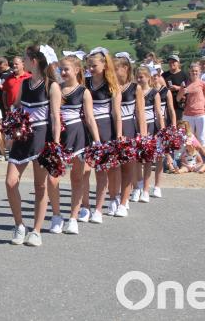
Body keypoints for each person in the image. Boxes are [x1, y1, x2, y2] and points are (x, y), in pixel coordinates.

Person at [5, 45, 51, 246]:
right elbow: (16, 108)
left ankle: (37, 231)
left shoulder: (51, 86)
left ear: (34, 61)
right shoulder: (24, 85)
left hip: (41, 135)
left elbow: (56, 118)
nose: (23, 61)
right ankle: (19, 225)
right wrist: (9, 130)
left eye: (25, 58)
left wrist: (56, 144)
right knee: (10, 182)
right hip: (23, 136)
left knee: (40, 185)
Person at [53, 55, 101, 234]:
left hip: (78, 137)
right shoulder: (55, 88)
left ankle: (73, 218)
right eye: (61, 69)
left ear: (76, 70)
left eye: (66, 69)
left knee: (77, 178)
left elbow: (89, 118)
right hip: (58, 137)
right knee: (53, 179)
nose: (63, 72)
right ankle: (57, 216)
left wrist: (96, 141)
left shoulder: (84, 92)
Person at [83, 48, 121, 222]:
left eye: (94, 66)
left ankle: (101, 207)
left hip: (105, 128)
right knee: (83, 170)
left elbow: (116, 113)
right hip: (86, 129)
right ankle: (85, 207)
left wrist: (118, 134)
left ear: (104, 65)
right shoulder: (85, 82)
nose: (90, 69)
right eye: (89, 65)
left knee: (103, 170)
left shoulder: (112, 86)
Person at [111, 52, 146, 217]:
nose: (112, 72)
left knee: (127, 167)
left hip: (129, 128)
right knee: (113, 167)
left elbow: (140, 113)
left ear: (125, 68)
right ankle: (115, 197)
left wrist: (143, 137)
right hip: (111, 128)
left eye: (115, 69)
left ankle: (124, 203)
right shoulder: (110, 86)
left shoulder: (135, 88)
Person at [132, 64, 162, 203]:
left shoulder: (154, 93)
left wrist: (161, 131)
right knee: (136, 159)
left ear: (149, 78)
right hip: (136, 126)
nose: (139, 79)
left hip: (150, 127)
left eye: (141, 77)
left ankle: (145, 189)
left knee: (148, 159)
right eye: (137, 77)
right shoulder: (134, 92)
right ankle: (137, 186)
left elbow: (158, 113)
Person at [177, 62, 205, 147]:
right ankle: (190, 157)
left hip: (200, 113)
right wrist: (182, 91)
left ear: (199, 72)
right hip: (187, 114)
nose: (194, 72)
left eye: (196, 71)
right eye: (192, 71)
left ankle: (203, 158)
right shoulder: (184, 84)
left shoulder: (203, 84)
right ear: (189, 71)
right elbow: (178, 99)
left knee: (201, 137)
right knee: (188, 136)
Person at [162, 55, 189, 121]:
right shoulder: (164, 75)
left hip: (180, 104)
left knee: (179, 123)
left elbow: (188, 88)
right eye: (170, 62)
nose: (171, 64)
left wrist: (178, 88)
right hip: (167, 103)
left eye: (174, 62)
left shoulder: (184, 75)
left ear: (178, 63)